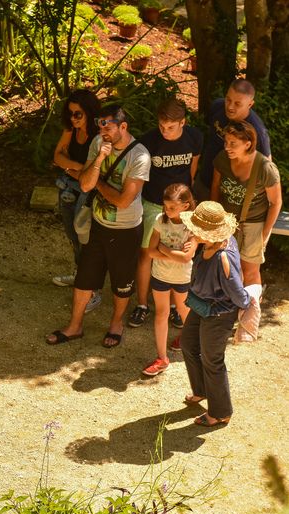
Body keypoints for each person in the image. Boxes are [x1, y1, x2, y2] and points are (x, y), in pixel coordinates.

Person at [47, 105, 150, 348]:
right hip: (98, 224)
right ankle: (75, 326)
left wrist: (98, 184)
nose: (103, 131)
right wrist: (100, 159)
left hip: (126, 230)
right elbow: (84, 184)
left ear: (123, 127)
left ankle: (116, 324)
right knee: (85, 277)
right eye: (100, 125)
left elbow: (124, 201)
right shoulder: (98, 143)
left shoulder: (140, 156)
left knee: (121, 282)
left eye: (109, 126)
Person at [129, 98, 203, 329]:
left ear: (183, 122)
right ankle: (142, 305)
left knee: (180, 252)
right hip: (154, 203)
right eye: (162, 126)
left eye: (171, 127)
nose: (165, 131)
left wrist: (188, 207)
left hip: (182, 205)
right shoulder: (149, 141)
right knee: (146, 253)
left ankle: (174, 306)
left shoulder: (195, 137)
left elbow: (192, 172)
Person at [179, 201, 252, 427]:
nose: (192, 231)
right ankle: (201, 390)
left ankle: (220, 412)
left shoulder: (224, 257)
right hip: (201, 306)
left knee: (213, 361)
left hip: (219, 314)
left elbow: (239, 296)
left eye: (196, 229)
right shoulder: (208, 244)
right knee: (188, 344)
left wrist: (251, 301)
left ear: (209, 233)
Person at [210, 121, 282, 286]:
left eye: (233, 143)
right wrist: (214, 220)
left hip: (254, 224)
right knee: (225, 268)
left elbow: (276, 203)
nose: (227, 147)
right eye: (226, 142)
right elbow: (215, 188)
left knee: (249, 272)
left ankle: (251, 309)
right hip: (226, 223)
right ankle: (230, 309)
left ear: (248, 144)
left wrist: (264, 234)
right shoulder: (222, 159)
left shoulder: (265, 168)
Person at [51, 89, 102, 313]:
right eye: (70, 113)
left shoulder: (99, 135)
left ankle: (92, 289)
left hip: (87, 193)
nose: (73, 118)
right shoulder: (70, 129)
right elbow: (57, 156)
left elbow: (92, 174)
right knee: (73, 235)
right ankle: (80, 276)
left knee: (87, 239)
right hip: (68, 188)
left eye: (78, 114)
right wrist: (79, 169)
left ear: (89, 113)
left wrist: (70, 166)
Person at [141, 184, 196, 376]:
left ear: (186, 205)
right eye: (166, 206)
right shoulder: (159, 219)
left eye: (172, 207)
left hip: (182, 278)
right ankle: (162, 357)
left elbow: (186, 257)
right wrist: (175, 253)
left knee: (184, 312)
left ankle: (190, 343)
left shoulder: (192, 225)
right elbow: (150, 251)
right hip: (160, 276)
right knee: (161, 314)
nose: (167, 210)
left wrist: (163, 249)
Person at [196, 79, 271, 202]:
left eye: (237, 103)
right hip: (203, 182)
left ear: (250, 104)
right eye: (228, 99)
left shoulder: (258, 132)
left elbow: (267, 169)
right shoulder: (217, 106)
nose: (230, 106)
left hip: (230, 196)